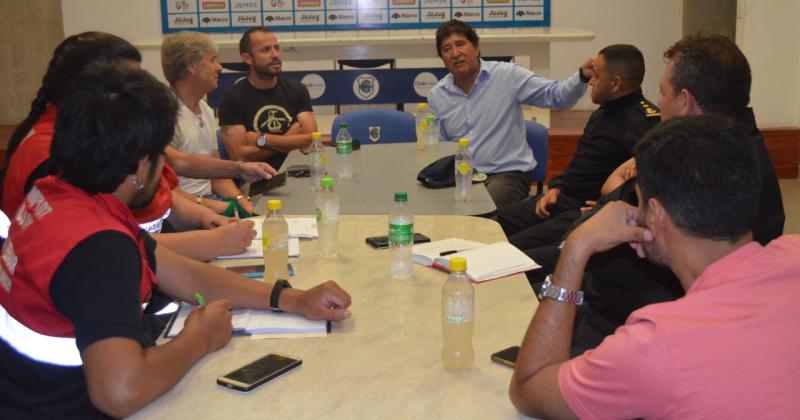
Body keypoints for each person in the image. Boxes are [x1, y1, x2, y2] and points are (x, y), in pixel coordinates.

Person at [0, 65, 352, 419]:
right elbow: (120, 392)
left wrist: (291, 299)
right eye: (160, 156)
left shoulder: (62, 193)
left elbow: (187, 276)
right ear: (138, 169)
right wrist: (199, 338)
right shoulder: (98, 247)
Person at [509, 114, 800, 419]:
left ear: (657, 215)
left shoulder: (655, 343)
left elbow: (529, 389)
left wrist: (574, 250)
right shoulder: (792, 249)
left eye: (639, 201)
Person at [530, 33, 786, 357]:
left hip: (623, 325)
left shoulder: (714, 167)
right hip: (607, 297)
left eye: (663, 93)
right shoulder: (713, 146)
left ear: (686, 101)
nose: (659, 102)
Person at [0, 32, 255, 262]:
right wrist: (213, 242)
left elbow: (164, 195)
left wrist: (202, 217)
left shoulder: (94, 130)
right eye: (130, 82)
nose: (138, 91)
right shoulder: (57, 153)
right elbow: (102, 249)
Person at [496, 44, 660, 250]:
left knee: (510, 250)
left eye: (596, 76)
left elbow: (648, 187)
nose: (590, 81)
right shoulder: (602, 113)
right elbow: (580, 165)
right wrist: (555, 187)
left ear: (615, 83)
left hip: (582, 213)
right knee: (491, 223)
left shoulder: (646, 124)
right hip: (560, 200)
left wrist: (607, 205)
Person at [427, 19, 591, 207]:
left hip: (507, 174)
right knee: (436, 210)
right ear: (442, 59)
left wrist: (582, 76)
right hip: (462, 177)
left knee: (480, 210)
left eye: (461, 44)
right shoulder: (437, 95)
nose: (455, 53)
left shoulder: (507, 76)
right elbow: (438, 147)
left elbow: (557, 96)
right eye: (447, 49)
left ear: (477, 47)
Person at [161, 30, 278, 217]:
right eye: (213, 60)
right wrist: (211, 205)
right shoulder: (164, 114)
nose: (219, 67)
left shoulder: (205, 109)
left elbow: (217, 175)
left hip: (210, 201)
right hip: (181, 213)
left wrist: (241, 202)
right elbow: (161, 189)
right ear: (192, 66)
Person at [218, 27, 325, 168]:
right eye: (265, 50)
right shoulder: (232, 98)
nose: (275, 55)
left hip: (297, 173)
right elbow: (240, 156)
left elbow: (312, 140)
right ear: (247, 58)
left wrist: (261, 139)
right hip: (256, 182)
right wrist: (289, 138)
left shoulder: (297, 89)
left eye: (276, 48)